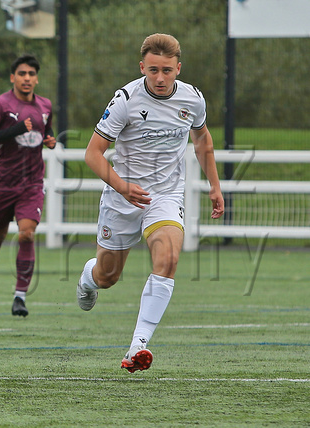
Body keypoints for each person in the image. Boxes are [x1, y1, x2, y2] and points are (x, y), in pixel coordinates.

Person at [76, 33, 224, 373]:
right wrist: (123, 186)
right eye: (153, 70)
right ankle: (88, 277)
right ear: (142, 66)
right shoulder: (126, 99)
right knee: (108, 276)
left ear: (178, 69)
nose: (160, 78)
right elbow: (92, 153)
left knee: (168, 256)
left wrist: (215, 186)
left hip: (166, 196)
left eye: (167, 71)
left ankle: (137, 346)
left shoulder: (193, 98)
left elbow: (202, 139)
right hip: (122, 197)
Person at [0, 54, 56, 317]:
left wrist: (49, 140)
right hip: (2, 184)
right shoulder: (0, 104)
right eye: (22, 74)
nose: (27, 79)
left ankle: (20, 296)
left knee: (26, 234)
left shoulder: (45, 105)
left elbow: (44, 132)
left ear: (37, 78)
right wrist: (15, 129)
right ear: (13, 77)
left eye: (31, 74)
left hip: (31, 184)